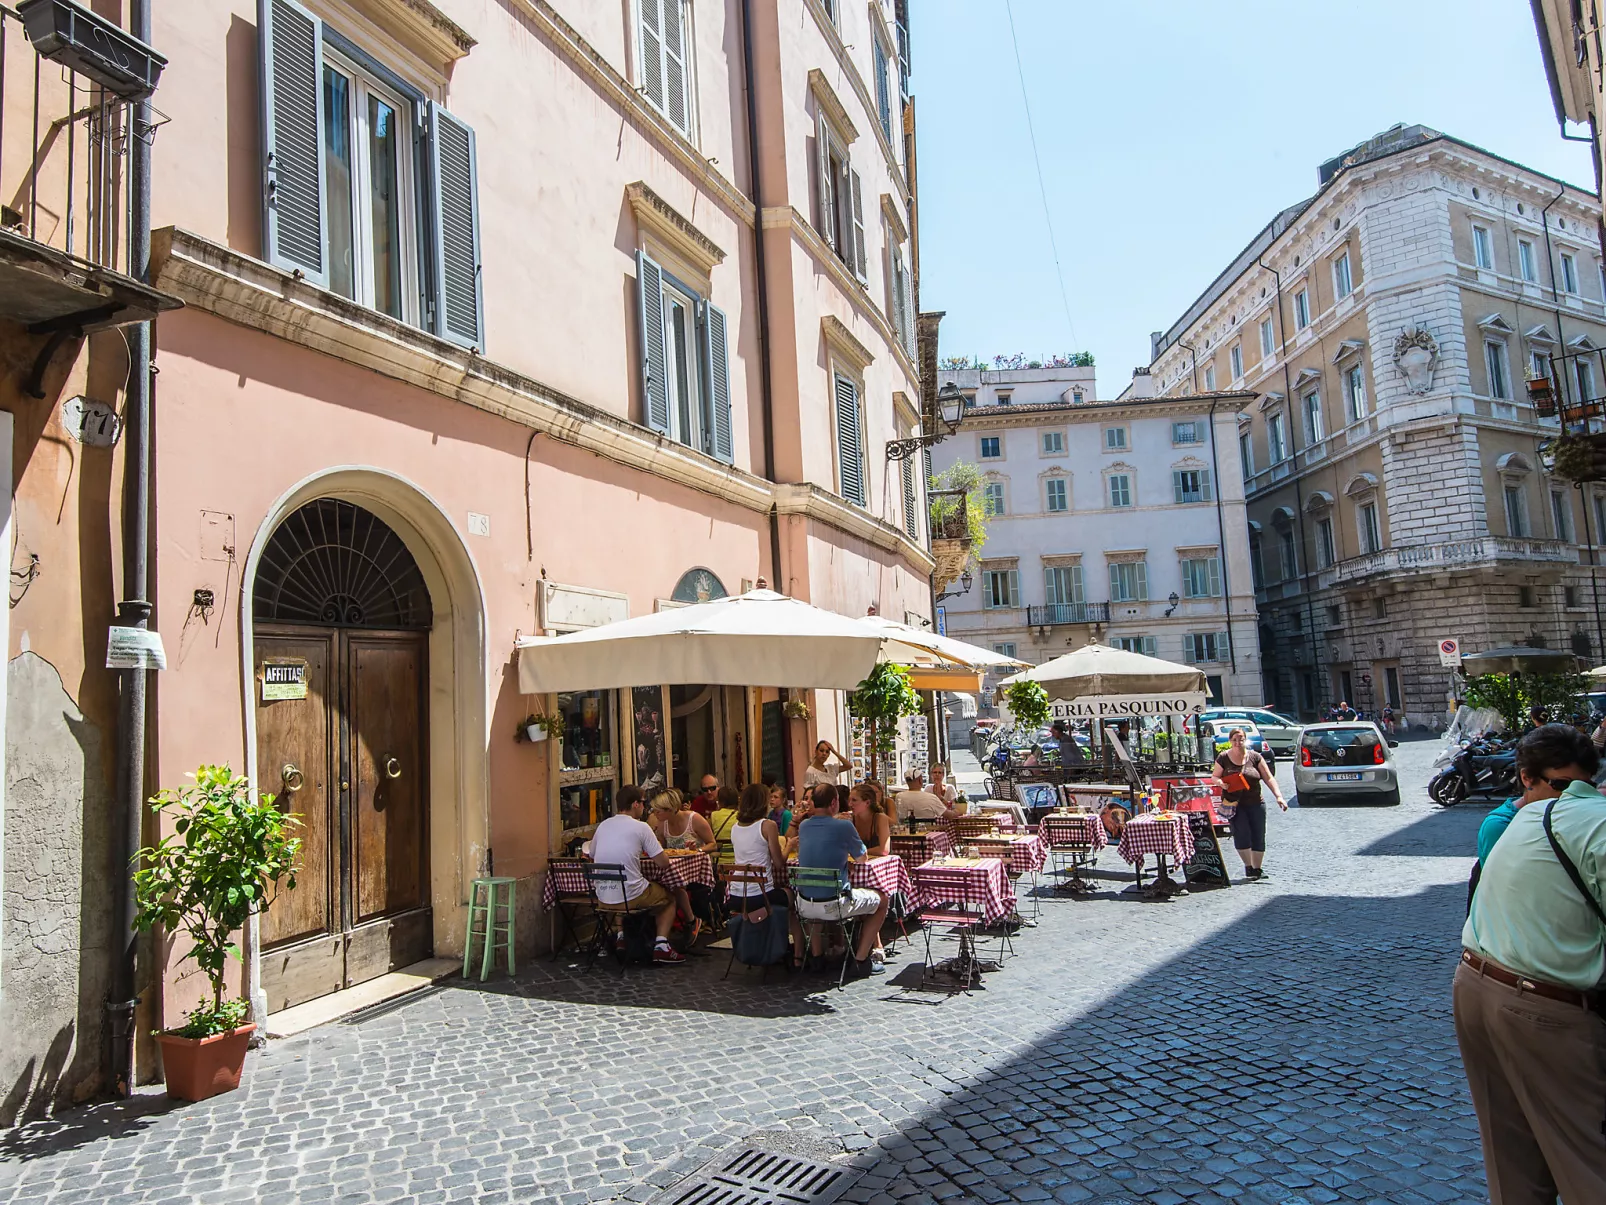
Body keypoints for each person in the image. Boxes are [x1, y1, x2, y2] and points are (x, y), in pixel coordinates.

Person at [1457, 723, 1606, 1201]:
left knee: (1513, 1161)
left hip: (1476, 983)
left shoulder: (1527, 816)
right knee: (1589, 1159)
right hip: (1541, 1004)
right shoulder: (1592, 820)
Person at [794, 784, 889, 974]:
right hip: (835, 904)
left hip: (804, 904)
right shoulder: (844, 825)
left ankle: (817, 956)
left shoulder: (804, 826)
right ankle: (861, 959)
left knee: (814, 900)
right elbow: (862, 858)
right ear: (834, 803)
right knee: (883, 901)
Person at [588, 786, 687, 965]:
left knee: (625, 890)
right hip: (631, 897)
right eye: (643, 803)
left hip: (602, 898)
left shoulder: (603, 825)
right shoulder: (641, 827)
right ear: (635, 804)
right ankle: (662, 945)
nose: (645, 807)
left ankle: (621, 936)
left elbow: (592, 854)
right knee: (670, 897)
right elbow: (663, 863)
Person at [1211, 726, 1287, 881]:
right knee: (1242, 833)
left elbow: (1269, 778)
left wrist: (1279, 796)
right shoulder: (1223, 757)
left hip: (1255, 801)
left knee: (1258, 834)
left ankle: (1257, 868)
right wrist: (1220, 783)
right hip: (1234, 803)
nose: (1238, 742)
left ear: (1245, 740)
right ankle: (1248, 866)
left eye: (1241, 739)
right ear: (1230, 741)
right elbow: (1214, 776)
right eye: (1234, 740)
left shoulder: (1255, 757)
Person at [648, 789, 717, 854]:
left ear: (670, 809)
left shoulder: (694, 819)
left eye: (658, 811)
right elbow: (662, 849)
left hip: (696, 863)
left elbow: (713, 845)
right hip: (676, 865)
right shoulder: (662, 824)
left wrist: (697, 850)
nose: (654, 814)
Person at [847, 783, 892, 856]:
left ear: (867, 803)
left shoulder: (880, 818)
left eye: (854, 800)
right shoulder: (850, 819)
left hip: (880, 865)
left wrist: (858, 853)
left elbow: (884, 850)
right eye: (849, 800)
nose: (849, 804)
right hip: (859, 864)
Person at [708, 786, 741, 868]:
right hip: (738, 860)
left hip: (719, 862)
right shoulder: (741, 816)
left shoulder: (714, 815)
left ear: (719, 801)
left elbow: (709, 838)